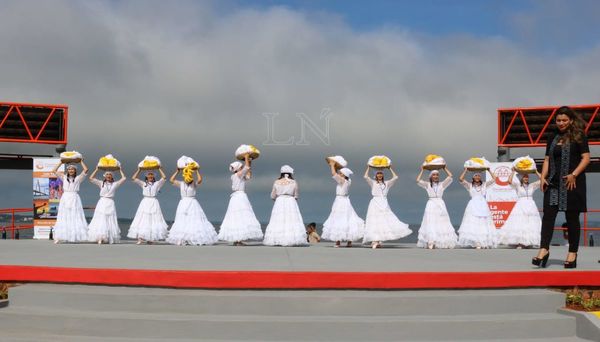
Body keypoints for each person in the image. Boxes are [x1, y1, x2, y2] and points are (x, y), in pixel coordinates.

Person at [534, 106, 590, 268]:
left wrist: (574, 174)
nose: (561, 123)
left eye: (564, 120)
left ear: (571, 120)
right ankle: (544, 249)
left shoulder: (579, 135)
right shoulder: (552, 136)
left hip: (572, 183)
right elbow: (546, 160)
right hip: (553, 183)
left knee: (572, 219)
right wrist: (543, 177)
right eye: (558, 120)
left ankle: (572, 253)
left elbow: (586, 158)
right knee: (548, 218)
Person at [166, 165, 218, 246]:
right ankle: (183, 238)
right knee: (182, 220)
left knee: (193, 220)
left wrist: (197, 171)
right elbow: (171, 180)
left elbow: (200, 180)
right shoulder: (181, 183)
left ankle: (194, 238)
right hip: (183, 203)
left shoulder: (193, 184)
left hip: (192, 203)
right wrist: (177, 171)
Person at [218, 154, 263, 245]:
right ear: (238, 168)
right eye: (241, 167)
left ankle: (237, 240)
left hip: (236, 197)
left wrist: (249, 162)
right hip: (239, 197)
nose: (242, 168)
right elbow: (246, 168)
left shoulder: (237, 175)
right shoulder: (238, 174)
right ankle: (238, 240)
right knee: (240, 216)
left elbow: (249, 175)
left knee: (237, 217)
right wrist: (246, 158)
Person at [363, 166, 412, 249]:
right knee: (374, 221)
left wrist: (390, 168)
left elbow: (396, 177)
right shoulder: (373, 183)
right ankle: (374, 240)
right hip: (375, 202)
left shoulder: (387, 183)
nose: (380, 175)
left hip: (384, 202)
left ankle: (379, 240)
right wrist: (368, 167)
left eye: (381, 174)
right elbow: (365, 177)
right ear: (375, 175)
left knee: (383, 221)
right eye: (378, 174)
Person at [321, 161, 364, 247]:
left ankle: (338, 241)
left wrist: (332, 165)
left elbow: (334, 174)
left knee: (338, 219)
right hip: (345, 200)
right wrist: (336, 167)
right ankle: (349, 241)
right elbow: (336, 174)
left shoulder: (342, 180)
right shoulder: (348, 181)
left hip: (340, 201)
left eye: (341, 173)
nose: (339, 174)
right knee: (348, 219)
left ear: (344, 175)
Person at [263, 165, 308, 246]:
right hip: (291, 201)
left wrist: (277, 199)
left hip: (279, 201)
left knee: (278, 219)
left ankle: (277, 239)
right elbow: (296, 195)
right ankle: (292, 239)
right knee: (291, 220)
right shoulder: (293, 182)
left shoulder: (276, 182)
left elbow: (272, 195)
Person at [416, 166, 457, 249]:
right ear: (431, 176)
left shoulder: (442, 184)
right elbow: (417, 180)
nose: (436, 176)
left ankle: (441, 241)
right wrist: (422, 170)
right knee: (430, 222)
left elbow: (450, 176)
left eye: (437, 175)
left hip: (440, 204)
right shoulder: (427, 185)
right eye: (434, 175)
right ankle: (431, 241)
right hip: (431, 204)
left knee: (441, 222)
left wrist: (444, 168)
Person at [498, 170, 542, 248]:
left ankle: (528, 242)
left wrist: (536, 172)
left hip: (530, 205)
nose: (526, 178)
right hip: (521, 205)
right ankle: (520, 242)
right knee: (520, 223)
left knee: (530, 223)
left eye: (527, 177)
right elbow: (509, 181)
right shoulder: (518, 186)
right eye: (524, 177)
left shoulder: (532, 185)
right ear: (521, 178)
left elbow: (542, 179)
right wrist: (513, 171)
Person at [457, 168, 498, 249]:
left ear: (480, 177)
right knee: (474, 222)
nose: (477, 177)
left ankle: (483, 241)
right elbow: (461, 179)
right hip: (473, 205)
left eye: (479, 176)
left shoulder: (484, 185)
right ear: (473, 177)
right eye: (475, 176)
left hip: (482, 204)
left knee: (482, 223)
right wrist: (466, 170)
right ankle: (476, 242)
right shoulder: (469, 185)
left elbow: (495, 179)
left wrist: (489, 170)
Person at [127, 167, 169, 244]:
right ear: (146, 176)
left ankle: (150, 238)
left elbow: (164, 177)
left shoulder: (157, 184)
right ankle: (141, 237)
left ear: (153, 176)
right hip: (145, 202)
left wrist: (159, 169)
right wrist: (139, 170)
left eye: (152, 175)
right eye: (149, 175)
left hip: (153, 201)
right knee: (143, 219)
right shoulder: (143, 184)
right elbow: (133, 178)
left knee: (153, 220)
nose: (150, 176)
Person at [51, 160, 89, 243]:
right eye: (69, 169)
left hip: (74, 197)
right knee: (63, 216)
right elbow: (54, 170)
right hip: (65, 197)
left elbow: (86, 170)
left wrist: (81, 161)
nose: (71, 170)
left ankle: (73, 236)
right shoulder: (64, 177)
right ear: (67, 170)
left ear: (75, 170)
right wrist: (61, 162)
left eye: (73, 169)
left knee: (75, 216)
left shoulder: (78, 178)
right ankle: (59, 236)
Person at [87, 167, 127, 244]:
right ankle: (99, 237)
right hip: (102, 201)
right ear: (105, 176)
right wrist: (96, 169)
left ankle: (108, 237)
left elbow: (124, 178)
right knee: (101, 218)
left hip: (110, 202)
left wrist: (120, 169)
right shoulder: (101, 183)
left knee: (110, 219)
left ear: (112, 176)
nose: (108, 176)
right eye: (107, 174)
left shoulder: (115, 184)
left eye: (110, 174)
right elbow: (91, 178)